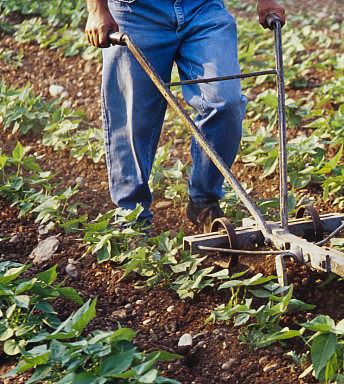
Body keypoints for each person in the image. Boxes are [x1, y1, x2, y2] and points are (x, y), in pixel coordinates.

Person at [84, 0, 286, 230]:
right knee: (133, 118)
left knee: (226, 102)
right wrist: (96, 9)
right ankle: (131, 215)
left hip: (202, 8)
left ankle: (203, 199)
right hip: (135, 13)